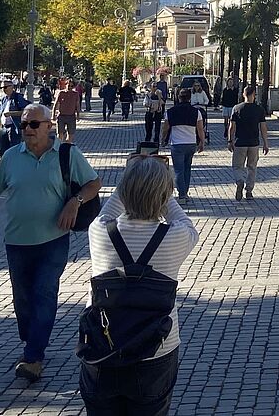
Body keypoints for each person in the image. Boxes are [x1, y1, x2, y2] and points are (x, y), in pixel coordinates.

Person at [0, 104, 101, 383]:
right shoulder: (11, 157)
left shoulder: (66, 154)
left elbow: (94, 183)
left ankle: (33, 356)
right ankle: (32, 340)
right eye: (24, 125)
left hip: (53, 240)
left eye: (34, 125)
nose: (27, 130)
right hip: (17, 241)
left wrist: (75, 201)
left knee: (44, 293)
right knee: (23, 300)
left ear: (49, 126)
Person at [82, 155, 198, 416]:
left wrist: (132, 177)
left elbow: (109, 210)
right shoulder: (176, 236)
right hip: (157, 349)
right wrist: (161, 187)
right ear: (165, 193)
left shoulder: (100, 231)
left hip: (103, 346)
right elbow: (184, 222)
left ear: (124, 190)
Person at [160, 88, 205, 204]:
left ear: (178, 97)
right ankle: (185, 192)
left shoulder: (171, 112)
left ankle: (182, 195)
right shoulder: (196, 112)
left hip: (177, 144)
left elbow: (166, 128)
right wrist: (202, 142)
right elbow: (200, 129)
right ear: (190, 98)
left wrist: (163, 139)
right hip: (191, 144)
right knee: (187, 169)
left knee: (179, 170)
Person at [226, 84, 269, 201]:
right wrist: (265, 143)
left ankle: (239, 181)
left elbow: (231, 126)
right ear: (254, 95)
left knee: (237, 166)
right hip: (254, 143)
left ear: (243, 94)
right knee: (252, 167)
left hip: (240, 142)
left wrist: (230, 140)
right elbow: (263, 127)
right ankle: (249, 191)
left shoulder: (237, 108)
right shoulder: (259, 109)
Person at [0, 80, 27, 155]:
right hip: (4, 127)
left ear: (12, 87)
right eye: (1, 87)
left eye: (5, 87)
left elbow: (26, 111)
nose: (3, 89)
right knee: (3, 150)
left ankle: (14, 165)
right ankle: (4, 165)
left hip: (14, 127)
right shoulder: (3, 99)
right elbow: (1, 114)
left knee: (13, 149)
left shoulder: (18, 97)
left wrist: (11, 113)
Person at [55, 79, 82, 144]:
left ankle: (67, 147)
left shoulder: (75, 94)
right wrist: (53, 115)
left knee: (70, 134)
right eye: (68, 85)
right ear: (66, 84)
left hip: (71, 116)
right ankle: (59, 147)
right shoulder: (61, 93)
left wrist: (78, 115)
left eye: (71, 86)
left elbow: (77, 105)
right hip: (61, 116)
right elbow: (56, 103)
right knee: (60, 133)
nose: (70, 87)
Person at [218, 77, 238, 144]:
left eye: (231, 82)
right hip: (225, 106)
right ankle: (226, 129)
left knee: (231, 120)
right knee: (226, 120)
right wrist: (222, 104)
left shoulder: (235, 90)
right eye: (229, 82)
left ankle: (230, 132)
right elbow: (223, 98)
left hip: (232, 107)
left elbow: (236, 98)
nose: (230, 83)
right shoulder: (225, 90)